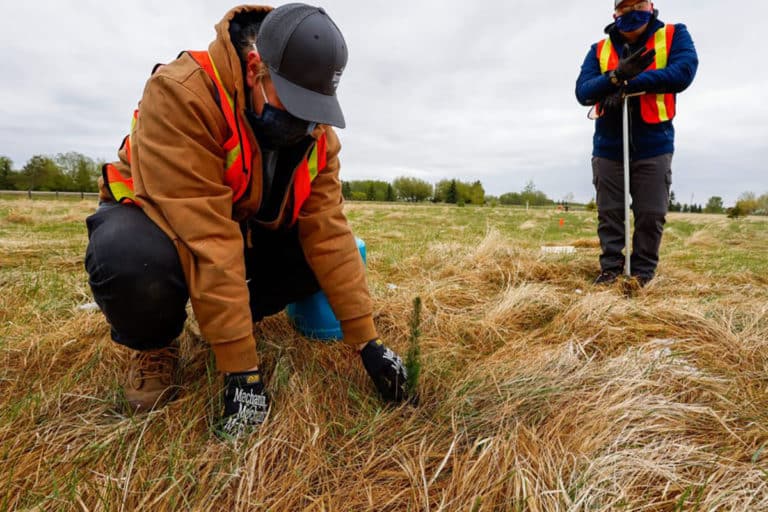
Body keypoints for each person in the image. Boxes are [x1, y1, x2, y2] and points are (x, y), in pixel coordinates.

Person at [85, 3, 410, 439]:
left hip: (240, 233)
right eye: (293, 104)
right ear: (256, 67)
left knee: (315, 259)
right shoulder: (182, 93)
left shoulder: (316, 134)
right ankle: (155, 344)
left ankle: (222, 317)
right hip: (159, 223)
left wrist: (367, 341)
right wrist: (243, 370)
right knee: (129, 259)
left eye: (313, 110)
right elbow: (207, 236)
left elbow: (329, 231)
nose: (304, 123)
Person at [575, 0, 698, 286]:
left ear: (651, 5)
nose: (632, 11)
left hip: (654, 144)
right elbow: (583, 91)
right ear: (615, 12)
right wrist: (616, 76)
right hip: (608, 146)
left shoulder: (674, 35)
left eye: (638, 4)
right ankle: (611, 270)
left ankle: (642, 273)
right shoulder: (598, 49)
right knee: (610, 214)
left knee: (651, 214)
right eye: (625, 6)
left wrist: (630, 82)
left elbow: (683, 72)